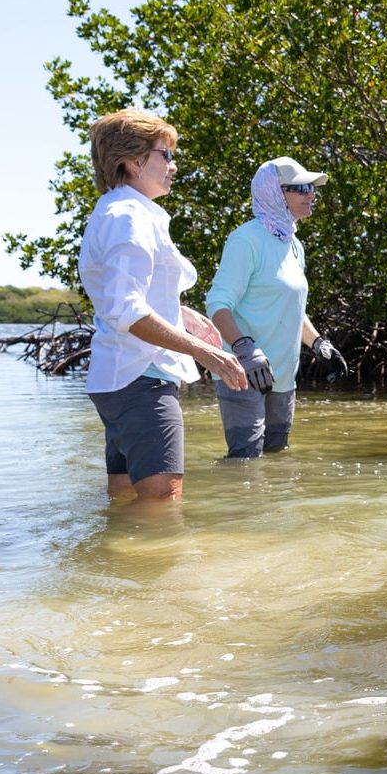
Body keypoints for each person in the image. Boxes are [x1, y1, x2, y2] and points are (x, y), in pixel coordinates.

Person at [78, 108, 248, 501]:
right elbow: (127, 309)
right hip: (142, 379)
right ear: (133, 161)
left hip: (119, 378)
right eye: (165, 154)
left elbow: (123, 295)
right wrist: (208, 353)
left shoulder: (117, 211)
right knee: (162, 504)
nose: (173, 165)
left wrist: (182, 315)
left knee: (123, 499)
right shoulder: (129, 217)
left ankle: (112, 566)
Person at [205, 157, 347, 459]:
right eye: (301, 188)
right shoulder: (245, 240)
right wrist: (245, 349)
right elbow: (217, 303)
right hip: (243, 374)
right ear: (274, 192)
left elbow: (293, 306)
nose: (311, 194)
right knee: (245, 461)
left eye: (312, 187)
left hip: (283, 377)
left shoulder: (295, 244)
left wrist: (320, 343)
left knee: (276, 461)